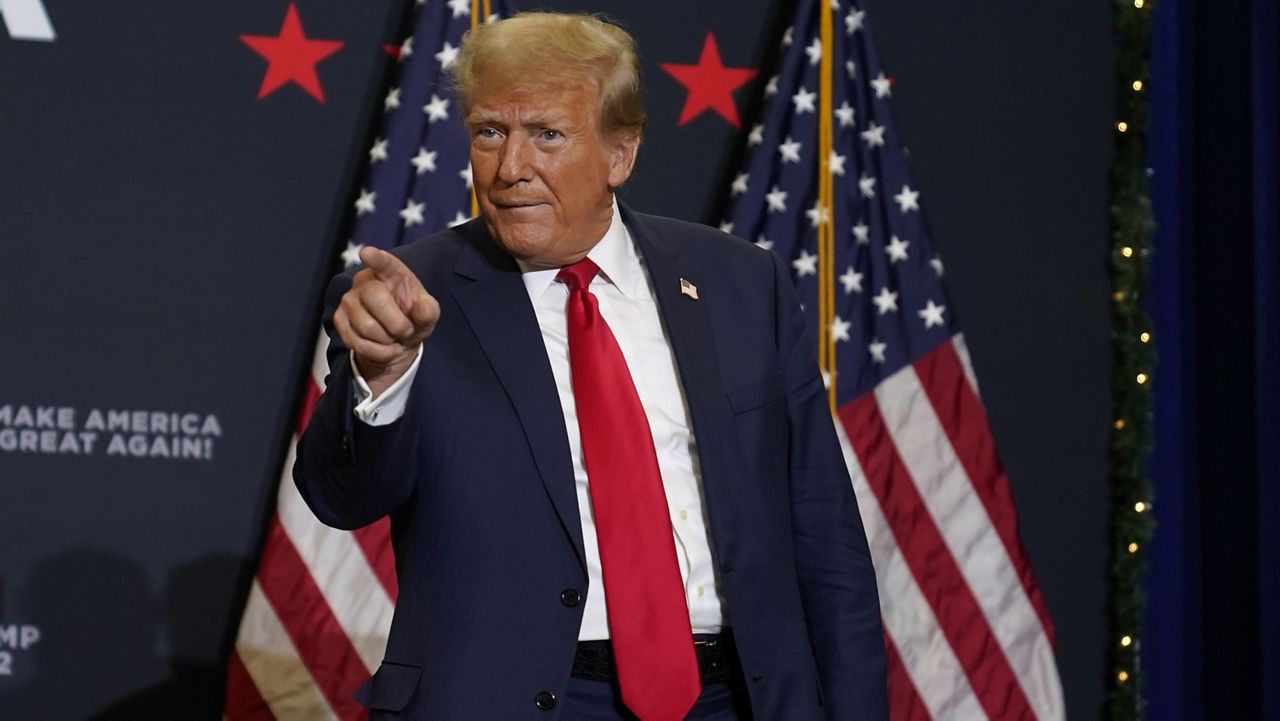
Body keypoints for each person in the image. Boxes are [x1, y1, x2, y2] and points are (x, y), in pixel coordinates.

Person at [295, 11, 888, 721]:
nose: (510, 168)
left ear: (620, 153)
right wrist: (383, 376)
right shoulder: (408, 299)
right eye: (490, 132)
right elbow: (341, 497)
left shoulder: (740, 284)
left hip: (739, 697)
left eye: (546, 134)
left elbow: (825, 539)